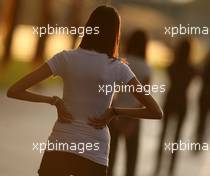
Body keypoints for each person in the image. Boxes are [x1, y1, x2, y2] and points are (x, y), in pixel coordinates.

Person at [6, 6, 163, 176]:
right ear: (114, 35)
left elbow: (14, 90)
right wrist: (115, 112)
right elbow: (156, 112)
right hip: (94, 151)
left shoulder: (65, 58)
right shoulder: (118, 68)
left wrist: (54, 101)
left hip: (60, 144)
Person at [108, 30, 151, 176]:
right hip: (134, 114)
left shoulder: (121, 62)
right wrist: (132, 122)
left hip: (114, 113)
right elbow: (144, 99)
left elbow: (110, 90)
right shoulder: (146, 67)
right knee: (131, 160)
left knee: (109, 158)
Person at [155, 38, 195, 176]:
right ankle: (171, 168)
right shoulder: (192, 69)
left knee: (163, 135)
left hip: (170, 100)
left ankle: (158, 165)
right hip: (183, 103)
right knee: (177, 138)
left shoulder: (172, 66)